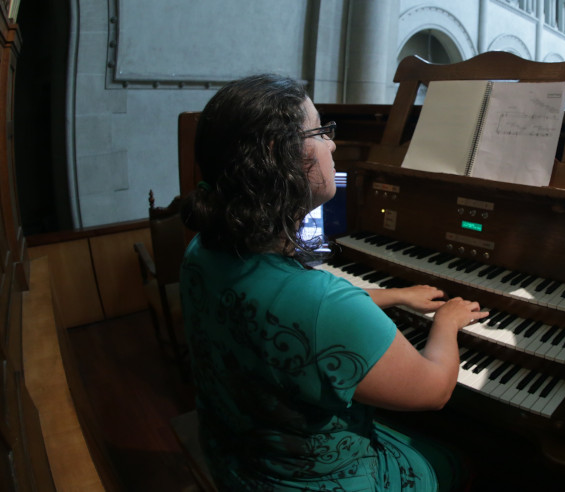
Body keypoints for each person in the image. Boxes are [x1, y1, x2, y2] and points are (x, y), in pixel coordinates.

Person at [180, 73, 488, 491]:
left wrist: (393, 294)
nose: (334, 144)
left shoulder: (201, 250)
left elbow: (290, 311)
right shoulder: (322, 303)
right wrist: (447, 322)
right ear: (279, 154)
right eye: (321, 132)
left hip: (236, 455)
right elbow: (434, 391)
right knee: (457, 460)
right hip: (315, 481)